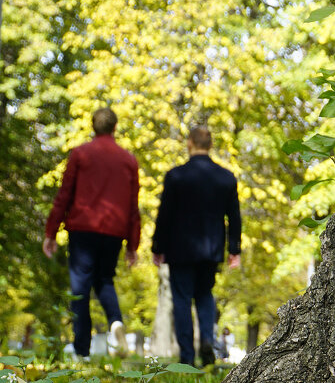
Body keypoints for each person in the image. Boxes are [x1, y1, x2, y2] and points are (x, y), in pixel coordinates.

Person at [43, 107, 140, 359]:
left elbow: (65, 194)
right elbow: (132, 205)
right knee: (105, 280)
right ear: (114, 127)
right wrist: (133, 245)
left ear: (93, 126)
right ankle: (115, 322)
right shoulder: (128, 160)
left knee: (80, 288)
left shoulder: (80, 154)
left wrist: (51, 232)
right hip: (113, 231)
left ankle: (81, 351)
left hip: (83, 229)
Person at [152, 126, 241, 366]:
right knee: (204, 295)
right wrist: (234, 249)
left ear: (190, 143)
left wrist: (157, 246)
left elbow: (164, 215)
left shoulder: (176, 176)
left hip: (179, 248)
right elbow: (234, 216)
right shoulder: (226, 177)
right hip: (210, 249)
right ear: (210, 144)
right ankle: (206, 340)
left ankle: (187, 358)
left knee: (181, 299)